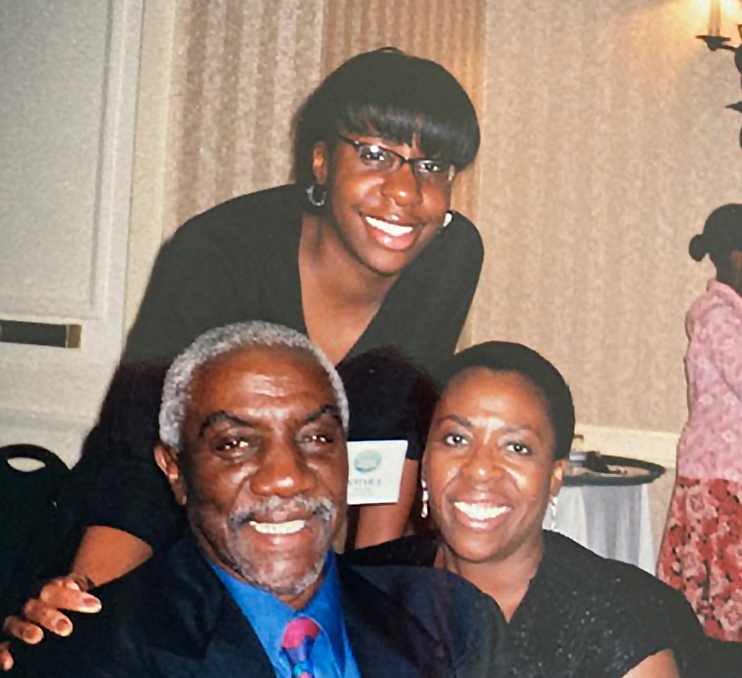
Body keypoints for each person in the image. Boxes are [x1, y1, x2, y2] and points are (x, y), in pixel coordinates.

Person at [0, 47, 485, 669]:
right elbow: (140, 461)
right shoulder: (215, 256)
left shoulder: (450, 255)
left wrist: (375, 614)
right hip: (150, 540)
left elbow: (391, 428)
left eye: (431, 165)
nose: (405, 190)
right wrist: (88, 610)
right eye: (374, 154)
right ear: (320, 160)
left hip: (285, 553)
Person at [7, 322, 506, 678]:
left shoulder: (453, 624)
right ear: (175, 470)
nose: (285, 478)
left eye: (316, 439)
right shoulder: (89, 655)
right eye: (235, 444)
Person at [350, 341, 707, 677]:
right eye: (456, 439)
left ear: (554, 477)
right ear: (426, 461)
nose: (480, 469)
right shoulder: (365, 586)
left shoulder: (617, 624)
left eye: (516, 448)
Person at [658, 204, 742, 643]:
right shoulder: (716, 316)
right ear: (736, 256)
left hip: (726, 481)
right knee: (719, 622)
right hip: (719, 482)